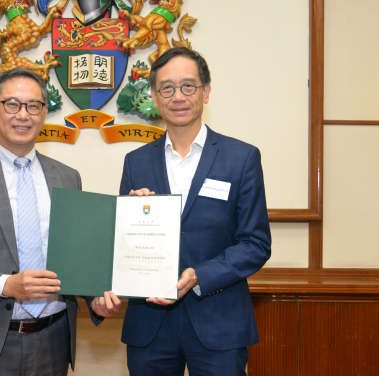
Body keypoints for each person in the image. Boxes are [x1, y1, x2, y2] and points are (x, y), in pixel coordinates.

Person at [0, 67, 116, 375]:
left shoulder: (68, 177)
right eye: (12, 104)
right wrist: (6, 285)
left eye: (33, 106)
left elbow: (74, 257)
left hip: (53, 341)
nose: (23, 115)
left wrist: (96, 295)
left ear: (44, 113)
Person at [114, 47, 272, 375]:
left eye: (188, 86)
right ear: (155, 98)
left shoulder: (241, 158)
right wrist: (133, 217)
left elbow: (256, 244)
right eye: (167, 88)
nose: (178, 96)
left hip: (219, 321)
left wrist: (200, 275)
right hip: (150, 324)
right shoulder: (136, 162)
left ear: (206, 91)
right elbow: (121, 245)